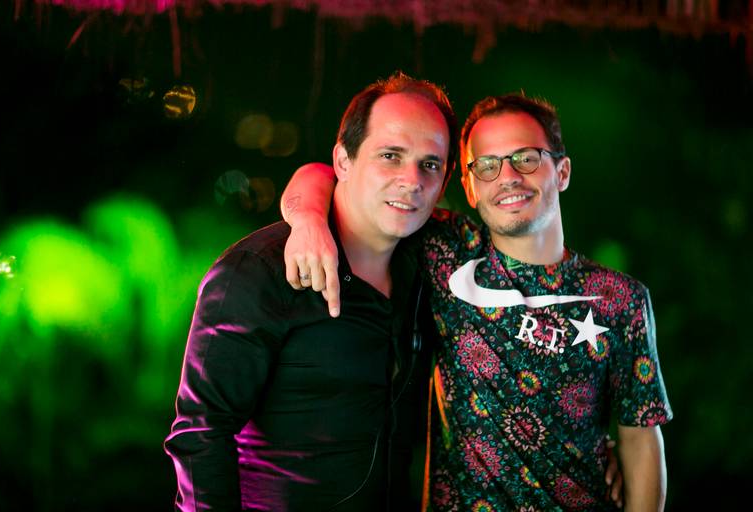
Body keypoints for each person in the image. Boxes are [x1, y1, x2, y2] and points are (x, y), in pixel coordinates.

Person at [281, 93, 670, 510]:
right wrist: (306, 219)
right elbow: (326, 173)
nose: (508, 177)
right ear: (468, 187)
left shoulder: (620, 299)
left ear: (562, 171)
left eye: (526, 158)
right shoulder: (446, 252)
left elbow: (640, 439)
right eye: (487, 165)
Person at [163, 72, 458, 511]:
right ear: (344, 161)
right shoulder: (259, 271)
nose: (411, 180)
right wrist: (306, 217)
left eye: (429, 164)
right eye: (390, 156)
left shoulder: (433, 261)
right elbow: (201, 433)